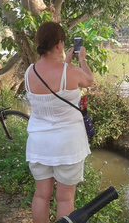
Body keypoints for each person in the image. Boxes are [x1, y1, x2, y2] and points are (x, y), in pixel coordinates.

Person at [24, 21, 94, 223]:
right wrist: (81, 60)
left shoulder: (30, 72)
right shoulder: (69, 72)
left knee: (40, 195)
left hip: (39, 144)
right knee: (65, 198)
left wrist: (67, 64)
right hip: (67, 146)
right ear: (59, 44)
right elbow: (88, 80)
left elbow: (53, 87)